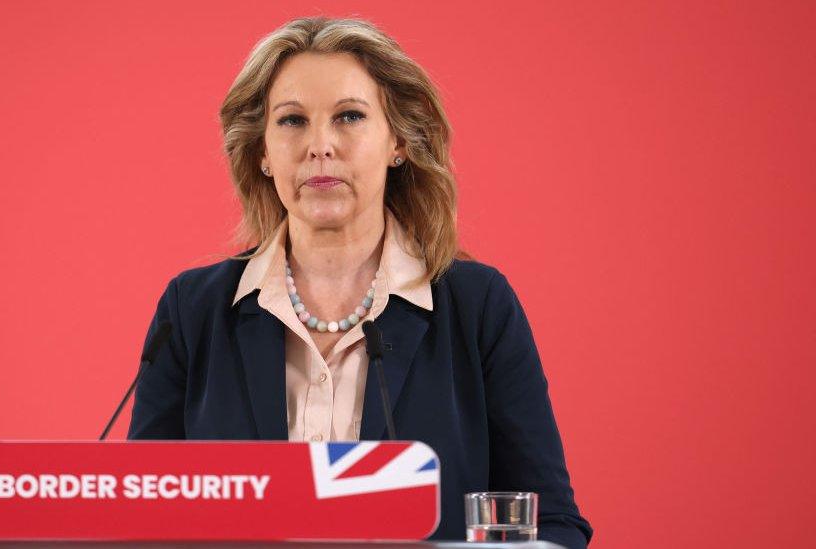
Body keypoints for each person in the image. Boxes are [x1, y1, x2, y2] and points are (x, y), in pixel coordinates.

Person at [128, 16, 593, 547]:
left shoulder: (478, 306)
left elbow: (552, 524)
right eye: (292, 121)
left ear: (398, 141)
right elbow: (144, 518)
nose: (319, 145)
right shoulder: (193, 309)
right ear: (261, 152)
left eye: (349, 116)